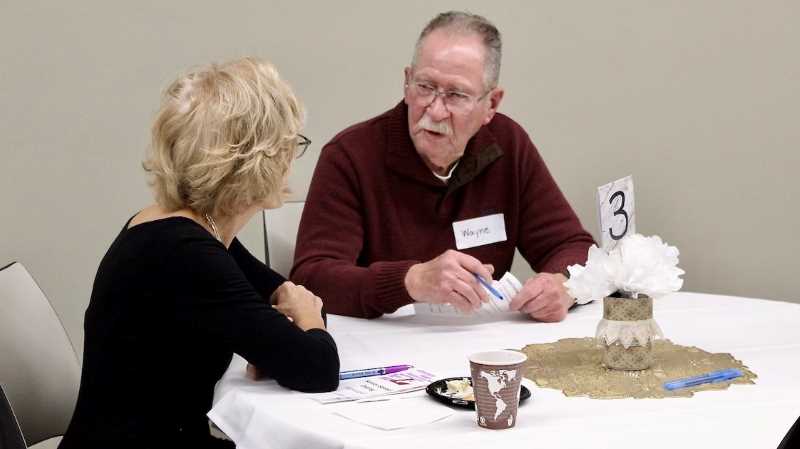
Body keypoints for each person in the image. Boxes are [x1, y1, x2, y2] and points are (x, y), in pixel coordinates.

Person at [59, 57, 339, 449]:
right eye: (290, 146)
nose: (293, 161)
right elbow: (317, 367)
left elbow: (281, 297)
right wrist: (302, 320)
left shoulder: (195, 228)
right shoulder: (183, 252)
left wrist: (288, 329)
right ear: (258, 159)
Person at [291, 11, 595, 322]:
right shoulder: (352, 155)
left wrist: (565, 284)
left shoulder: (507, 144)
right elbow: (311, 278)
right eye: (424, 87)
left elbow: (574, 246)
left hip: (481, 343)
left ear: (491, 104)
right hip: (384, 349)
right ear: (406, 83)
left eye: (455, 95)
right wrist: (411, 281)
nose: (435, 111)